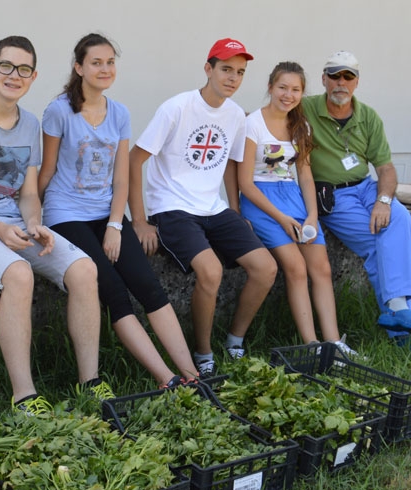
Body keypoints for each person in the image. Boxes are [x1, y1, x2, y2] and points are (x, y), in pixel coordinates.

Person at [0, 35, 110, 411]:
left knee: (83, 268)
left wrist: (34, 222)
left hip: (13, 221)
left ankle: (90, 382)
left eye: (24, 70)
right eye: (7, 66)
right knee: (18, 274)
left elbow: (29, 192)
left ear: (33, 77)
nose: (14, 75)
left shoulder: (30, 124)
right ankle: (24, 395)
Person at [38, 33, 198, 389]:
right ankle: (166, 378)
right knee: (110, 288)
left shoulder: (120, 112)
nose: (105, 69)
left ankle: (191, 372)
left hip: (106, 214)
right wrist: (30, 218)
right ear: (79, 67)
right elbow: (47, 170)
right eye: (96, 62)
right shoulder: (58, 110)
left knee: (149, 285)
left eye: (110, 62)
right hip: (66, 214)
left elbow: (121, 177)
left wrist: (115, 224)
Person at [129, 38, 277, 376]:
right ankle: (204, 354)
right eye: (226, 69)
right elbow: (134, 160)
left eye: (240, 72)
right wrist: (139, 220)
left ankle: (235, 341)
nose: (233, 78)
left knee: (265, 268)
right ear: (208, 69)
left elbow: (228, 165)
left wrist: (235, 212)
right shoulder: (176, 108)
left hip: (213, 207)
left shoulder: (237, 115)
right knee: (211, 270)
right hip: (172, 207)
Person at [237, 61, 357, 355]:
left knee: (322, 268)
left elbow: (304, 174)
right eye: (282, 87)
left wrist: (312, 214)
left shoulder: (300, 125)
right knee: (296, 267)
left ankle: (334, 342)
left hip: (296, 200)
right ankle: (312, 344)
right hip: (262, 203)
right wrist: (281, 218)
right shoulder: (253, 123)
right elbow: (245, 183)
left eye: (295, 89)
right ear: (270, 87)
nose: (288, 95)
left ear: (302, 93)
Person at [302, 51, 411, 343]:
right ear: (324, 79)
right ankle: (401, 323)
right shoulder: (304, 108)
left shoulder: (368, 116)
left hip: (366, 186)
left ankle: (399, 316)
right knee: (379, 246)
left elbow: (386, 168)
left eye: (348, 76)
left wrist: (383, 201)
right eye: (334, 75)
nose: (341, 82)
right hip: (334, 196)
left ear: (356, 82)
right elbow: (269, 116)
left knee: (401, 218)